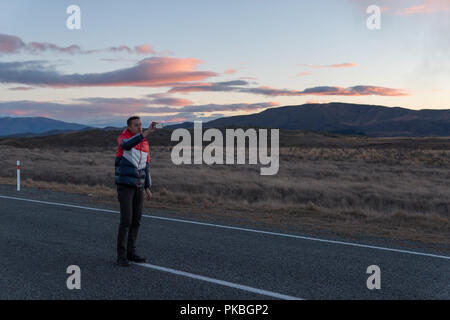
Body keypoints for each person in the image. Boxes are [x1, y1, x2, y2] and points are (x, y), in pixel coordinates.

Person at [115, 116, 157, 267]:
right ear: (129, 127)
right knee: (126, 220)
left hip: (139, 186)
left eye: (141, 125)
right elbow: (126, 146)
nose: (139, 127)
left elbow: (146, 166)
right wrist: (145, 133)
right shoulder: (123, 138)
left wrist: (147, 187)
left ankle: (131, 252)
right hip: (125, 185)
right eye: (136, 125)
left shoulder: (144, 143)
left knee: (136, 220)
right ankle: (121, 255)